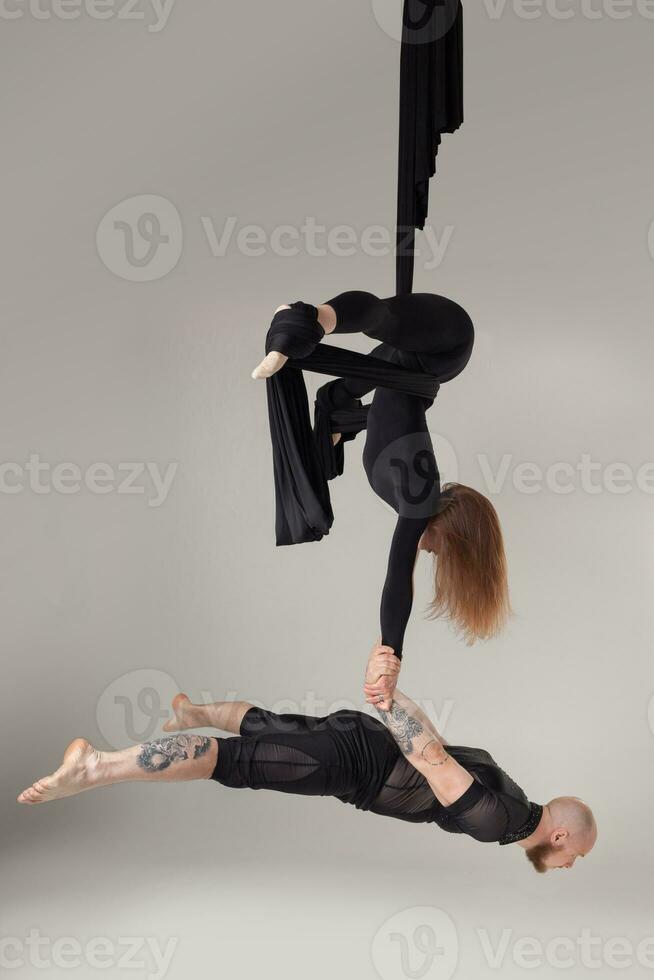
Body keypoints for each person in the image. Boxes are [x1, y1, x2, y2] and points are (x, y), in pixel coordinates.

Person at [17, 646, 596, 874]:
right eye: (577, 856)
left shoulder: (514, 794)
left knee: (264, 726)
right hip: (352, 767)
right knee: (232, 763)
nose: (570, 865)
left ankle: (193, 711)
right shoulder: (502, 819)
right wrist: (391, 698)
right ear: (563, 836)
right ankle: (97, 766)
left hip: (361, 743)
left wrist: (391, 705)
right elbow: (435, 757)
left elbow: (434, 742)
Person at [254, 292, 510, 705]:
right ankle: (306, 318)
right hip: (447, 341)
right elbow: (398, 579)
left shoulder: (410, 495)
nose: (430, 554)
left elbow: (386, 409)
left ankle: (328, 386)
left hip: (398, 363)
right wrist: (391, 655)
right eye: (442, 553)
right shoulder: (419, 499)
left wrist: (336, 425)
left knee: (356, 376)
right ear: (455, 534)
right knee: (381, 317)